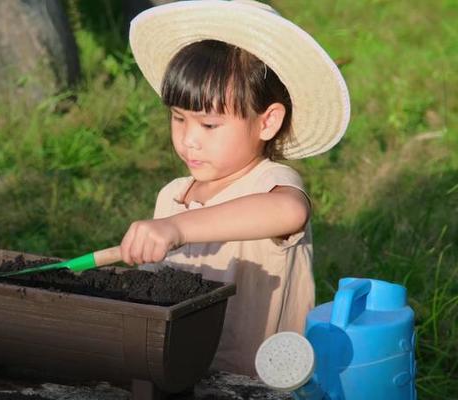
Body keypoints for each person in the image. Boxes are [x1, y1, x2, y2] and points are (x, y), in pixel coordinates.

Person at [122, 0, 350, 376]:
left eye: (209, 125)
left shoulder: (272, 184)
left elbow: (288, 212)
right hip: (182, 373)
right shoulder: (173, 196)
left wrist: (176, 229)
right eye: (178, 119)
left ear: (267, 122)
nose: (189, 140)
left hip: (255, 382)